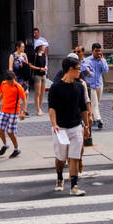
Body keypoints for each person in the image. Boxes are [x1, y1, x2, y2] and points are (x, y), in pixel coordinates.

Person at [47, 54, 90, 195]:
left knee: (74, 157)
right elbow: (52, 108)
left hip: (76, 126)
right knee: (60, 158)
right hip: (60, 128)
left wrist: (86, 125)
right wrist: (54, 124)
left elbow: (83, 108)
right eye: (78, 69)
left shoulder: (79, 86)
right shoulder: (56, 87)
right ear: (70, 69)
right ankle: (59, 177)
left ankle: (74, 186)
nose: (80, 71)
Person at [0, 69, 27, 157]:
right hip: (4, 110)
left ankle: (17, 149)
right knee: (0, 130)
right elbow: (2, 94)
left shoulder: (18, 87)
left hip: (14, 112)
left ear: (14, 78)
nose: (11, 83)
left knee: (10, 132)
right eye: (9, 81)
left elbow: (24, 99)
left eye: (12, 81)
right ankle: (5, 145)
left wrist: (23, 112)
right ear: (6, 80)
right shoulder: (4, 84)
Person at [83, 43, 109, 129]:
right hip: (91, 85)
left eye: (99, 50)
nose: (98, 52)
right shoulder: (87, 60)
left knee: (96, 103)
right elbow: (84, 70)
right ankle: (98, 119)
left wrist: (101, 61)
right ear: (92, 51)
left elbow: (105, 71)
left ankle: (92, 119)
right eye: (96, 51)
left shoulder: (102, 60)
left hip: (99, 84)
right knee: (94, 103)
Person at [9, 41, 32, 112]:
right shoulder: (12, 56)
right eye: (22, 47)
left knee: (26, 92)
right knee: (17, 93)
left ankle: (24, 110)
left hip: (23, 76)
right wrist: (11, 77)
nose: (23, 48)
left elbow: (27, 66)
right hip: (16, 77)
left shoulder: (24, 55)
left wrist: (23, 64)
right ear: (17, 47)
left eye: (24, 46)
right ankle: (16, 107)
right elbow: (10, 68)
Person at [29, 40, 49, 115]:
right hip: (37, 74)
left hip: (43, 74)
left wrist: (45, 67)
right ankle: (38, 109)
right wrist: (39, 68)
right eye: (43, 46)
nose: (44, 47)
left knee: (42, 92)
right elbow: (30, 65)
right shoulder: (34, 54)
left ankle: (39, 107)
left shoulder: (43, 55)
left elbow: (45, 64)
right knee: (38, 92)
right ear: (40, 46)